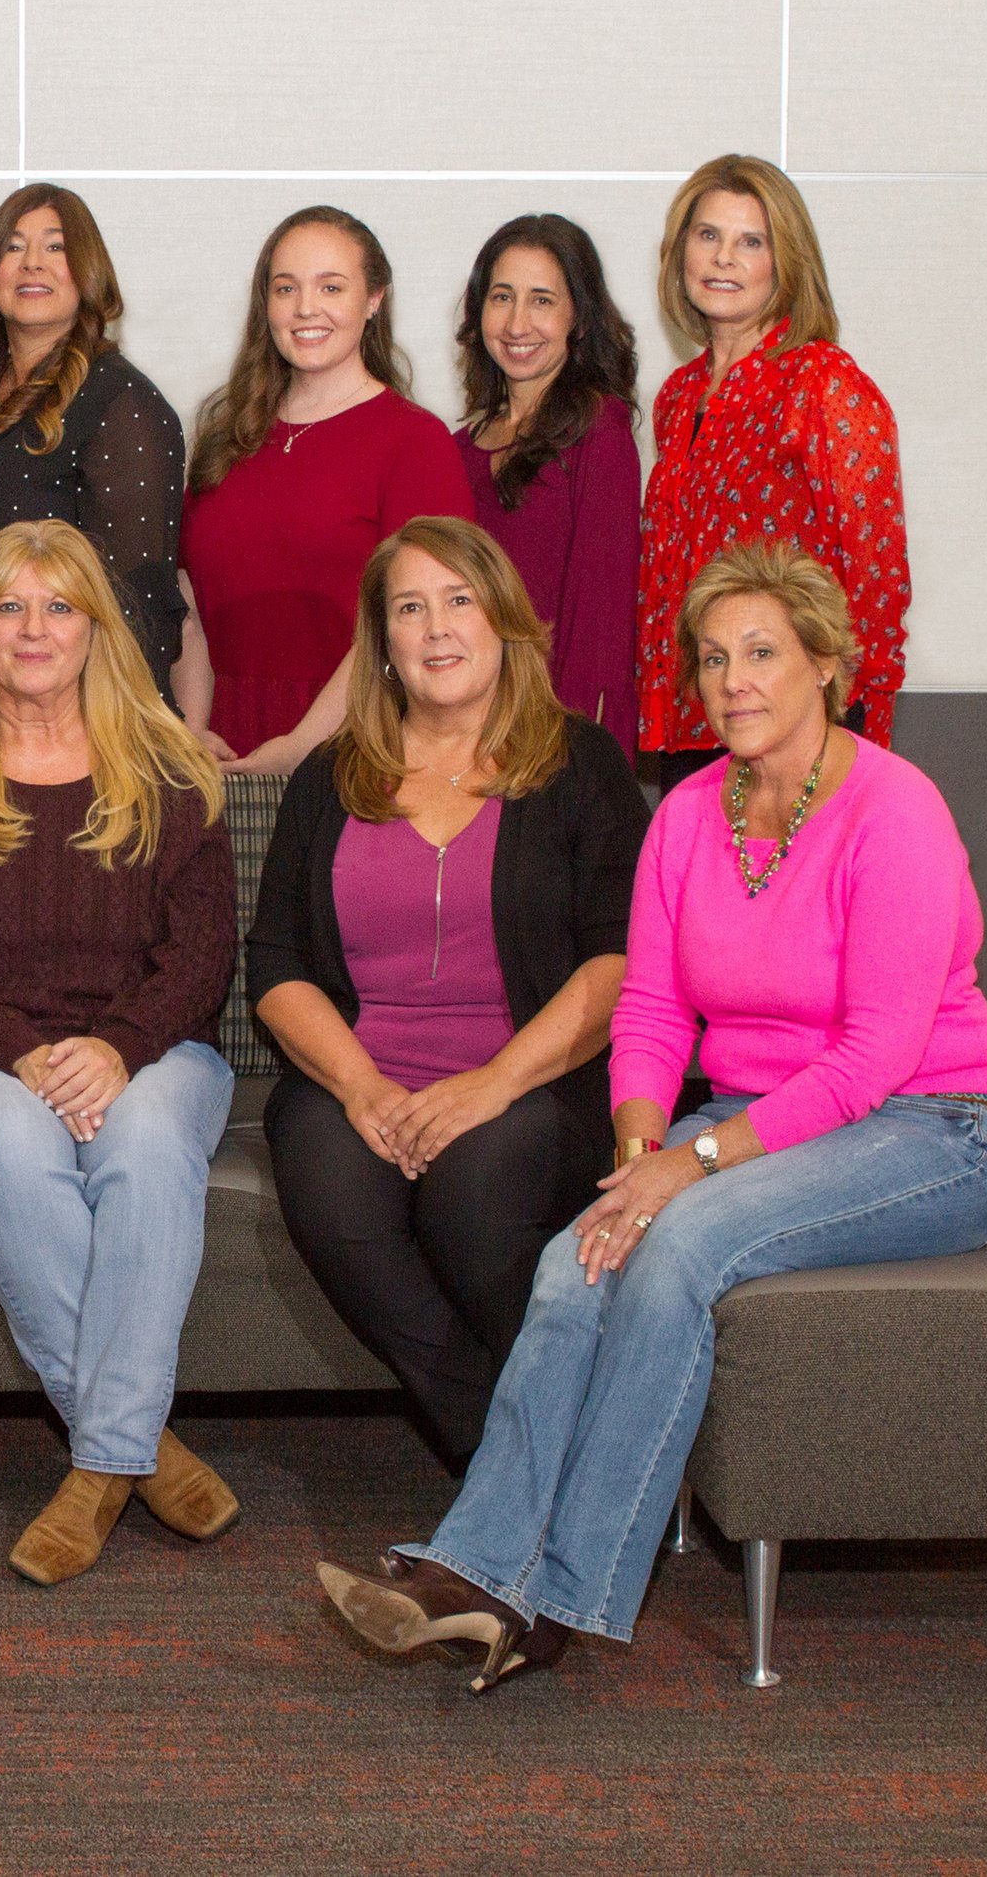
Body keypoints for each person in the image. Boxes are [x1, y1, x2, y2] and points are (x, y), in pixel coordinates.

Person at [319, 545, 987, 1692]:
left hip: (930, 1126)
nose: (732, 681)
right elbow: (649, 1005)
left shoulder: (895, 809)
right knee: (576, 1259)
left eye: (760, 654)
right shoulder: (689, 813)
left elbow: (871, 1058)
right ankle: (473, 1570)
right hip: (752, 1120)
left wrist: (687, 1167)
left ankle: (556, 1602)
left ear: (825, 667)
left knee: (675, 1241)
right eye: (710, 660)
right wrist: (640, 1147)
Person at [0, 519, 239, 1587]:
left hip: (149, 1049)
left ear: (97, 630)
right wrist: (25, 1055)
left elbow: (200, 955)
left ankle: (96, 1467)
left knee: (150, 1137)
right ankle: (137, 1450)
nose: (34, 629)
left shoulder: (169, 768)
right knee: (14, 1143)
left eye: (59, 606)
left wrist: (116, 1048)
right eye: (9, 606)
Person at [248, 518, 648, 1471]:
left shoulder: (581, 765)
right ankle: (506, 1446)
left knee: (472, 1191)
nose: (436, 628)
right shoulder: (329, 776)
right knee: (334, 1198)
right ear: (380, 643)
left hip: (535, 1080)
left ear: (504, 620)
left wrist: (496, 1083)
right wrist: (359, 1089)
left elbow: (619, 962)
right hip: (365, 1074)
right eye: (409, 608)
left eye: (459, 600)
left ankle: (525, 1468)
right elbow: (277, 965)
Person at [639, 155, 910, 788]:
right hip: (697, 713)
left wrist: (853, 721)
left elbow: (875, 574)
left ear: (785, 262)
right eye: (708, 236)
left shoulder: (824, 384)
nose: (723, 258)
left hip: (796, 723)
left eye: (750, 241)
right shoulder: (678, 397)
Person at [176, 205, 474, 776]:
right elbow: (189, 600)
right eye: (286, 288)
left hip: (359, 748)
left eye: (331, 287)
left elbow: (420, 624)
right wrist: (192, 730)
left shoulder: (417, 443)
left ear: (373, 300)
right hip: (217, 757)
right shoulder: (225, 439)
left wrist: (300, 747)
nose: (306, 308)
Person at [0, 184, 185, 740]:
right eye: (13, 247)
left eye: (55, 247)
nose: (32, 263)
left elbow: (136, 611)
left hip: (52, 737)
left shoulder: (123, 406)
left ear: (89, 271)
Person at [453, 214, 642, 757]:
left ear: (577, 318)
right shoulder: (456, 450)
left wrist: (572, 752)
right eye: (502, 297)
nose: (517, 324)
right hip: (464, 731)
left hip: (551, 735)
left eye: (542, 300)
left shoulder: (599, 433)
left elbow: (600, 622)